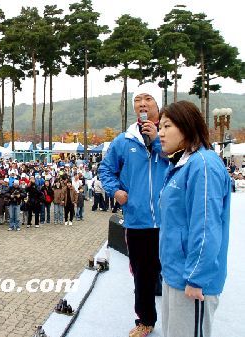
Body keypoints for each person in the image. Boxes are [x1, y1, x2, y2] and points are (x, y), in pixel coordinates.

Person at [99, 82, 169, 337]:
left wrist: (157, 140)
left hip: (169, 219)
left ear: (158, 105)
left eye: (148, 99)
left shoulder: (170, 133)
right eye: (138, 100)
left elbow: (179, 159)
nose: (142, 104)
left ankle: (178, 318)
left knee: (172, 271)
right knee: (142, 275)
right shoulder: (123, 140)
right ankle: (145, 320)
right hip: (137, 220)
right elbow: (105, 170)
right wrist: (115, 191)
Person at [158, 101, 231, 337]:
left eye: (167, 126)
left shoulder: (203, 164)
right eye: (160, 126)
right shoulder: (183, 164)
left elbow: (207, 225)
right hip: (174, 274)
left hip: (191, 280)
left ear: (187, 127)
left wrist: (196, 277)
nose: (160, 132)